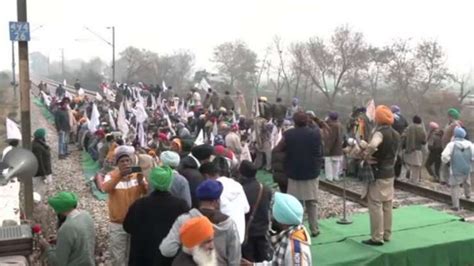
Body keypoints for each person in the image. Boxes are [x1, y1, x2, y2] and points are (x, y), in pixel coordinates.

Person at [160, 179, 241, 265]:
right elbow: (235, 259)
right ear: (216, 201)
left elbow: (167, 250)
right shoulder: (229, 224)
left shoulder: (185, 220)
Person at [124, 166, 189, 266]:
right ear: (169, 182)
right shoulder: (181, 206)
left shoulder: (139, 204)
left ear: (152, 181)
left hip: (142, 258)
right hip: (169, 259)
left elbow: (127, 227)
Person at [273, 111, 322, 237]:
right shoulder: (316, 134)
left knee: (295, 202)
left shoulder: (288, 134)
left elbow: (277, 149)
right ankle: (314, 228)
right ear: (307, 121)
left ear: (294, 122)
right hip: (312, 172)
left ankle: (298, 228)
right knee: (312, 203)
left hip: (294, 172)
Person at [360, 105, 400, 245]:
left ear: (378, 118)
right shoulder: (396, 134)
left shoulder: (379, 133)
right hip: (390, 172)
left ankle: (377, 237)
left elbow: (373, 145)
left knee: (375, 204)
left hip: (378, 172)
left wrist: (366, 152)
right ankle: (387, 234)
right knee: (387, 204)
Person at [101, 145, 147, 266]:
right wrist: (120, 175)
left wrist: (141, 181)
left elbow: (145, 191)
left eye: (128, 160)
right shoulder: (111, 175)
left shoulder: (136, 174)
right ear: (117, 163)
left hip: (135, 222)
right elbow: (105, 188)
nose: (126, 163)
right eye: (122, 161)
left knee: (132, 254)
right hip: (118, 224)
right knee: (118, 257)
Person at [39, 192, 95, 266]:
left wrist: (47, 248)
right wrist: (60, 239)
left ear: (59, 210)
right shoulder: (86, 216)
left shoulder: (66, 228)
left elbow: (58, 263)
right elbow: (81, 240)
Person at [206, 157, 250, 244]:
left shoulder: (213, 187)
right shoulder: (237, 185)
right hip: (239, 236)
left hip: (220, 238)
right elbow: (246, 209)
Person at [239, 160, 272, 262]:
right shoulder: (265, 189)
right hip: (262, 232)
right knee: (263, 260)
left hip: (247, 233)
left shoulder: (241, 190)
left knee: (248, 261)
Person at [266, 192, 312, 265]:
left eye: (274, 216)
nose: (271, 219)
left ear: (283, 221)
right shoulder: (288, 236)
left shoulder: (295, 250)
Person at [441, 127, 473, 211]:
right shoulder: (470, 144)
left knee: (454, 186)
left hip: (455, 168)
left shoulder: (451, 144)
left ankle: (456, 205)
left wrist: (447, 162)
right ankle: (468, 195)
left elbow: (444, 156)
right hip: (467, 167)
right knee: (467, 181)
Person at [440, 108, 462, 184]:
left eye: (449, 116)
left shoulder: (456, 125)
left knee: (449, 164)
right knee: (445, 163)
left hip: (450, 148)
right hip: (445, 147)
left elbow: (456, 136)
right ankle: (445, 180)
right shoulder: (449, 124)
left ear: (453, 117)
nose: (448, 117)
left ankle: (449, 180)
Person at [402, 116, 426, 182]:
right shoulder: (421, 129)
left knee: (408, 162)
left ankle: (409, 173)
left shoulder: (408, 128)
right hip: (417, 149)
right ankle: (415, 180)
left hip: (408, 149)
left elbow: (403, 136)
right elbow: (424, 141)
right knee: (417, 166)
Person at [322, 112, 344, 181]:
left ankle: (329, 177)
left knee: (328, 163)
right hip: (338, 148)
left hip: (332, 148)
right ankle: (335, 176)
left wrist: (327, 148)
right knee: (336, 163)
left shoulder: (332, 126)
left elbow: (331, 138)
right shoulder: (339, 125)